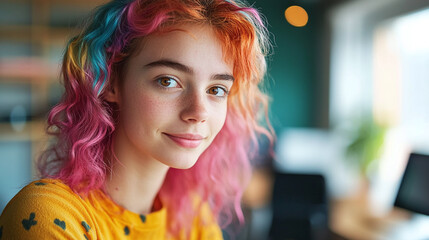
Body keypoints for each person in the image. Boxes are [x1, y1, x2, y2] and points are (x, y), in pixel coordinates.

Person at [0, 0, 273, 239]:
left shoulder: (192, 223)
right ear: (110, 81)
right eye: (168, 81)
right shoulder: (48, 216)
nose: (199, 112)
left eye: (216, 90)